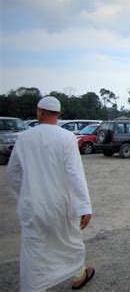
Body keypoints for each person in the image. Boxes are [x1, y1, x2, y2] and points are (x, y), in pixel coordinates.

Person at [6, 96, 95, 291]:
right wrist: (85, 206)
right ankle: (79, 275)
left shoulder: (24, 137)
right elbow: (75, 174)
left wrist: (23, 195)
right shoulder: (67, 138)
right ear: (59, 114)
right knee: (68, 243)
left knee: (34, 251)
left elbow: (12, 172)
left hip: (34, 206)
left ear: (40, 112)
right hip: (62, 205)